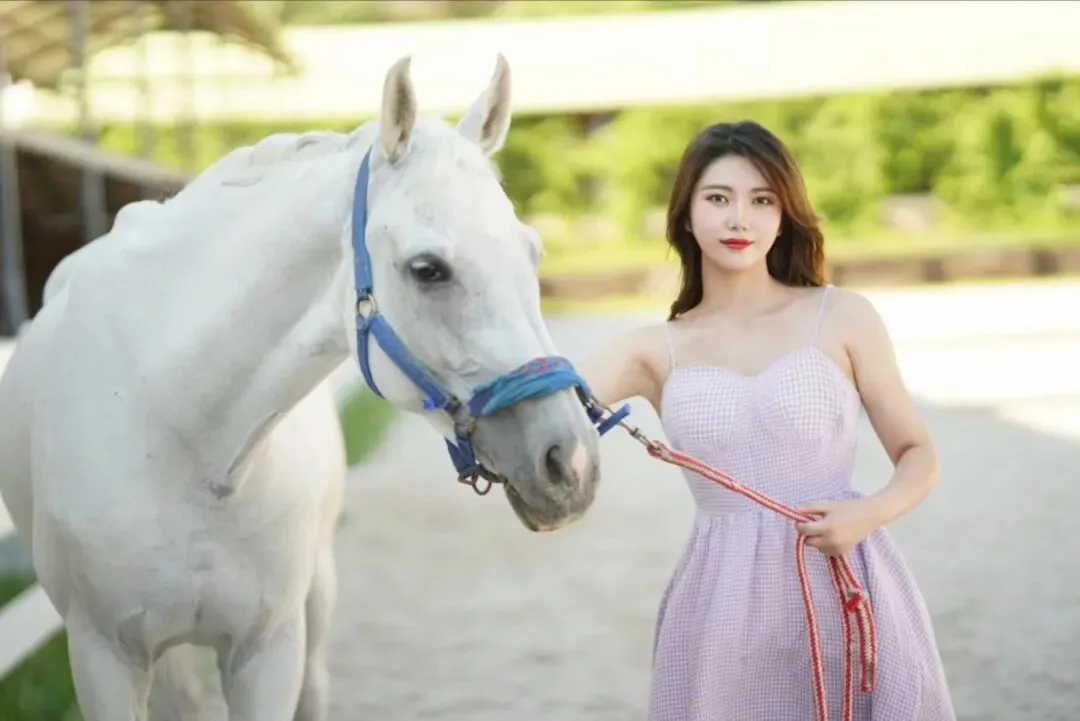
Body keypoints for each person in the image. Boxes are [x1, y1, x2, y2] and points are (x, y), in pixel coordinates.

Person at [578, 120, 955, 720]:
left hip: (843, 574)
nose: (739, 220)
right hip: (719, 600)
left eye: (761, 200)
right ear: (685, 215)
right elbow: (538, 398)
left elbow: (918, 453)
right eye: (718, 198)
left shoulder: (842, 315)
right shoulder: (652, 349)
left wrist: (868, 512)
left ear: (784, 216)